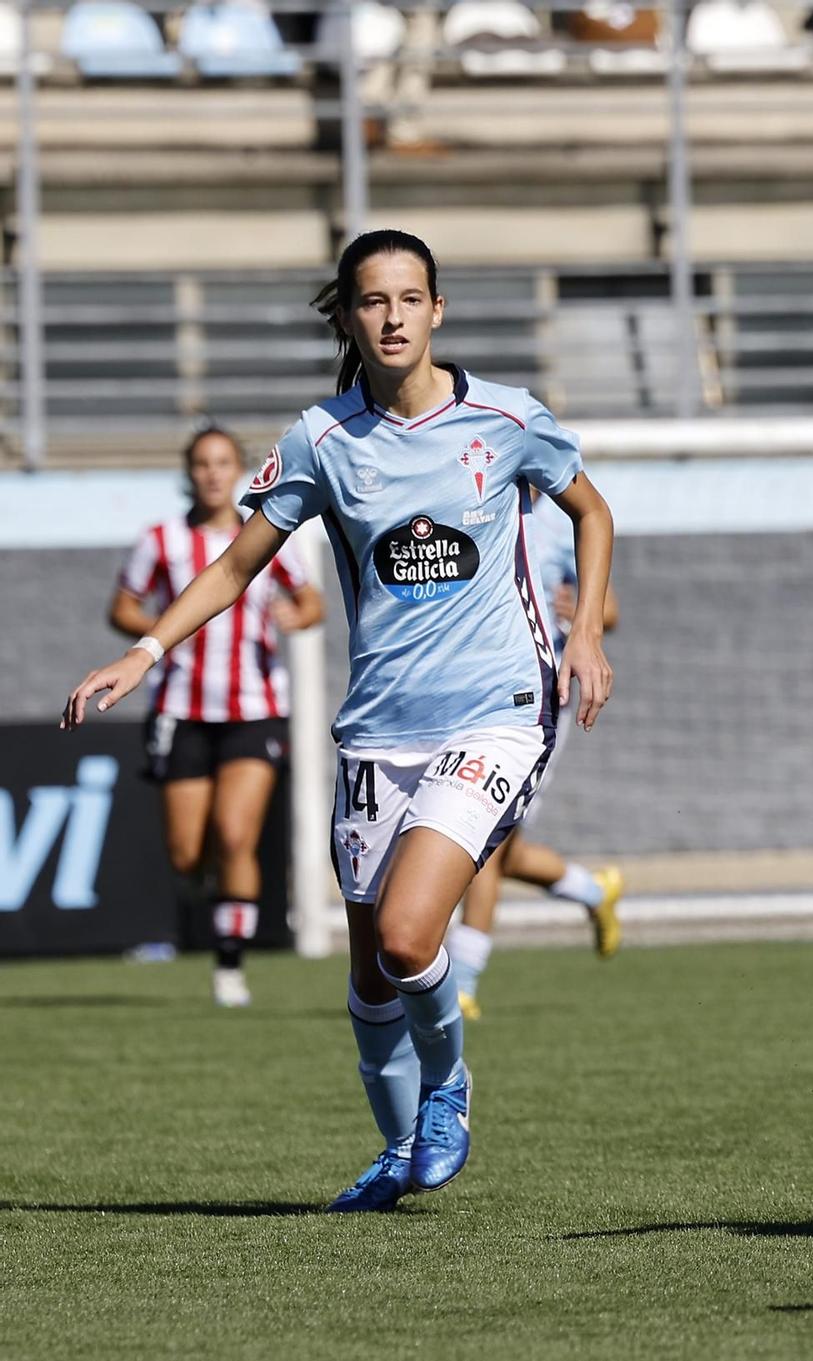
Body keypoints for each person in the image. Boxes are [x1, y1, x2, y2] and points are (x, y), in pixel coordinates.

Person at [63, 228, 616, 1214]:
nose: (393, 316)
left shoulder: (505, 419)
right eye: (373, 300)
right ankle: (399, 1151)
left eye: (410, 298)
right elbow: (237, 565)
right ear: (350, 317)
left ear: (437, 309)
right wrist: (145, 651)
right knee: (369, 979)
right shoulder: (322, 438)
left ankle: (448, 1085)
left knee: (407, 937)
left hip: (492, 714)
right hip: (375, 733)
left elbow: (592, 511)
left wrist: (584, 636)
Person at [111, 421, 324, 1008]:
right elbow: (122, 607)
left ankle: (230, 968)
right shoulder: (161, 540)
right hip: (181, 709)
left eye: (222, 463)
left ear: (239, 471)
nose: (212, 474)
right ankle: (214, 894)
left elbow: (310, 601)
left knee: (236, 833)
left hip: (255, 710)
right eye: (202, 464)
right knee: (186, 853)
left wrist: (297, 616)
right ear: (189, 473)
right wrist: (161, 631)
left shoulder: (266, 533)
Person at [448, 486, 626, 1021]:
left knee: (484, 836)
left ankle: (461, 984)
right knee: (495, 845)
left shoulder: (557, 523)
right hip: (467, 695)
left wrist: (583, 614)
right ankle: (592, 890)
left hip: (536, 702)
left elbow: (608, 609)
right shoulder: (467, 509)